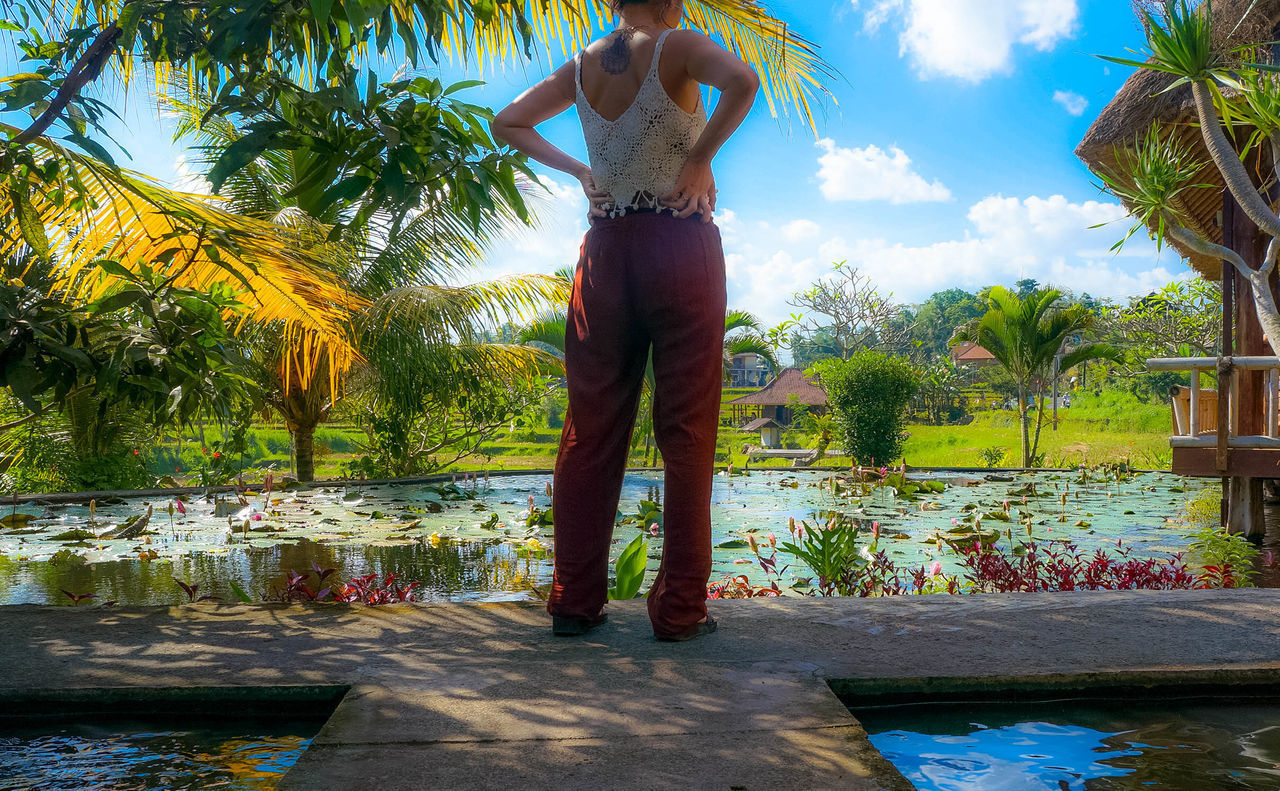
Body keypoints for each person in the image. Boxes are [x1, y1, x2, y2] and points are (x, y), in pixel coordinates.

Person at [492, 0, 759, 642]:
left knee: (590, 431)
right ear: (671, 2)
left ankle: (574, 603)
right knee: (687, 431)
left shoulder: (582, 67)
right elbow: (745, 82)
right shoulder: (680, 45)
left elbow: (508, 123)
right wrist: (698, 158)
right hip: (679, 249)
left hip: (606, 254)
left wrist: (583, 170)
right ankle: (679, 613)